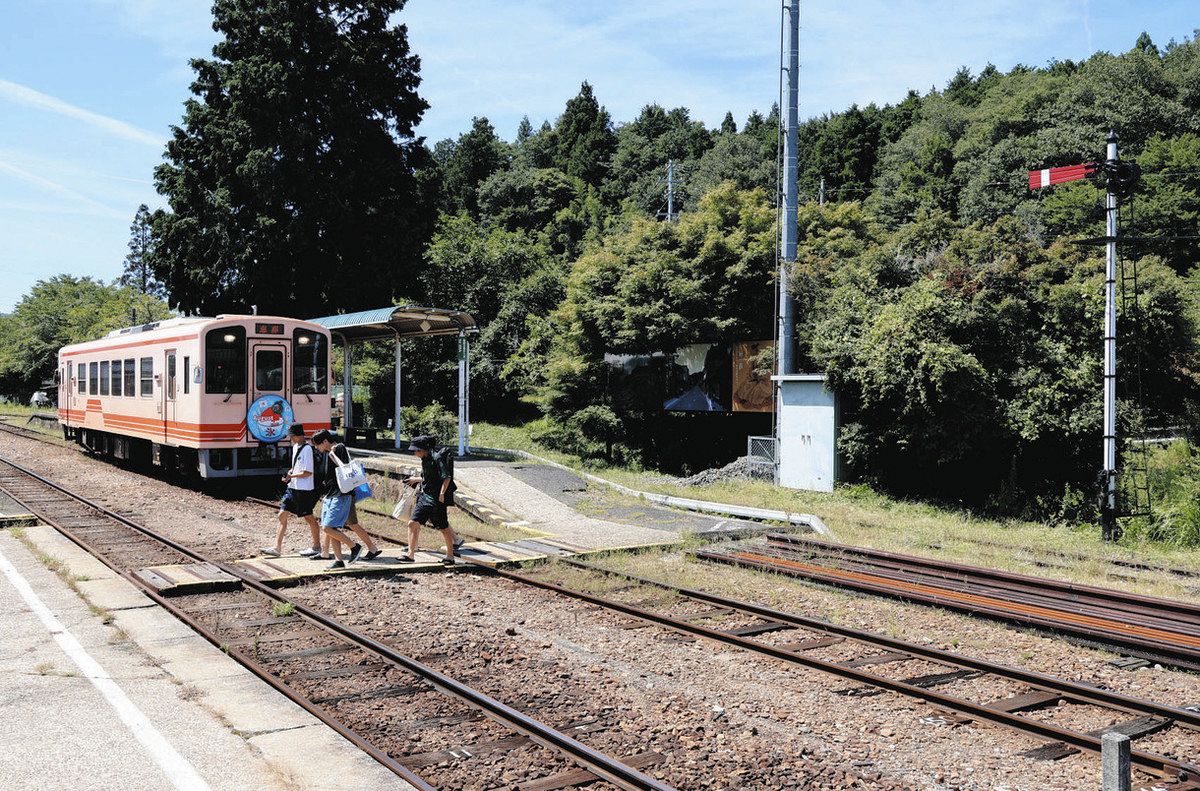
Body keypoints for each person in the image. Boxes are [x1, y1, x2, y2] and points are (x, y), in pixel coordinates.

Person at [310, 430, 380, 568]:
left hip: (341, 493)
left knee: (328, 527)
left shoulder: (338, 448)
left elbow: (344, 466)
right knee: (332, 527)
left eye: (317, 445)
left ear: (325, 441)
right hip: (331, 493)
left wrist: (332, 455)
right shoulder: (329, 451)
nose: (317, 448)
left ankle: (354, 547)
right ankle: (339, 560)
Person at [261, 424, 320, 558]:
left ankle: (317, 546)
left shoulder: (307, 450)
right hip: (293, 487)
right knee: (282, 514)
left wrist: (291, 476)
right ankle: (277, 548)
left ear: (298, 435)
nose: (291, 439)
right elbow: (297, 468)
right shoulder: (295, 447)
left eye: (292, 436)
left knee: (308, 517)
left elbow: (307, 472)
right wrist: (291, 472)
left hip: (304, 489)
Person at [402, 435, 459, 566]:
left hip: (436, 499)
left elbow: (446, 477)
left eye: (417, 450)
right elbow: (427, 478)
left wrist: (442, 494)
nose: (415, 453)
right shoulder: (424, 459)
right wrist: (416, 480)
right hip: (424, 496)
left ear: (425, 449)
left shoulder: (437, 458)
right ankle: (410, 554)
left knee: (443, 528)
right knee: (412, 523)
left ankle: (450, 556)